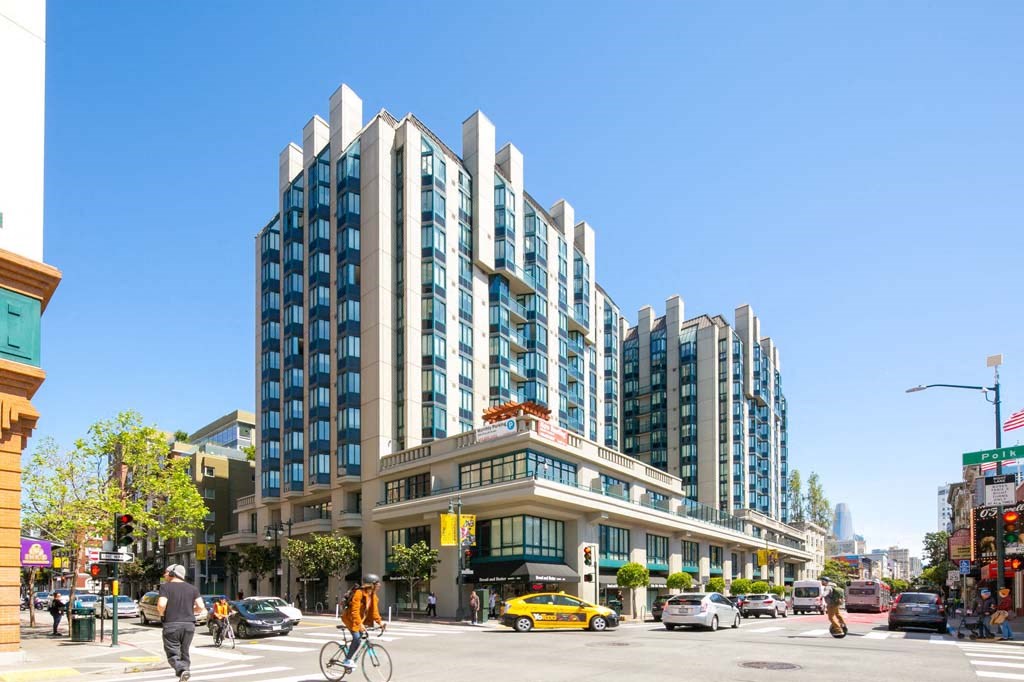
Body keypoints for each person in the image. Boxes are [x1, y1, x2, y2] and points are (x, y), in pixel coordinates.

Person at [157, 564, 206, 681]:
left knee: (173, 654)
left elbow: (161, 605)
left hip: (172, 624)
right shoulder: (193, 588)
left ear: (173, 573)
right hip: (189, 625)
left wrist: (162, 613)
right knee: (184, 652)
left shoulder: (165, 587)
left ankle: (182, 670)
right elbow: (201, 606)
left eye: (166, 572)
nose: (164, 575)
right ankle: (185, 673)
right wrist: (190, 610)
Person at [340, 574, 386, 672]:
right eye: (377, 583)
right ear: (370, 584)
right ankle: (347, 660)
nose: (379, 585)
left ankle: (350, 658)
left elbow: (374, 611)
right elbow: (354, 611)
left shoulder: (373, 595)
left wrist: (380, 622)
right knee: (357, 638)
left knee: (359, 638)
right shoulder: (359, 593)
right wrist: (359, 624)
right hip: (350, 619)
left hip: (359, 620)